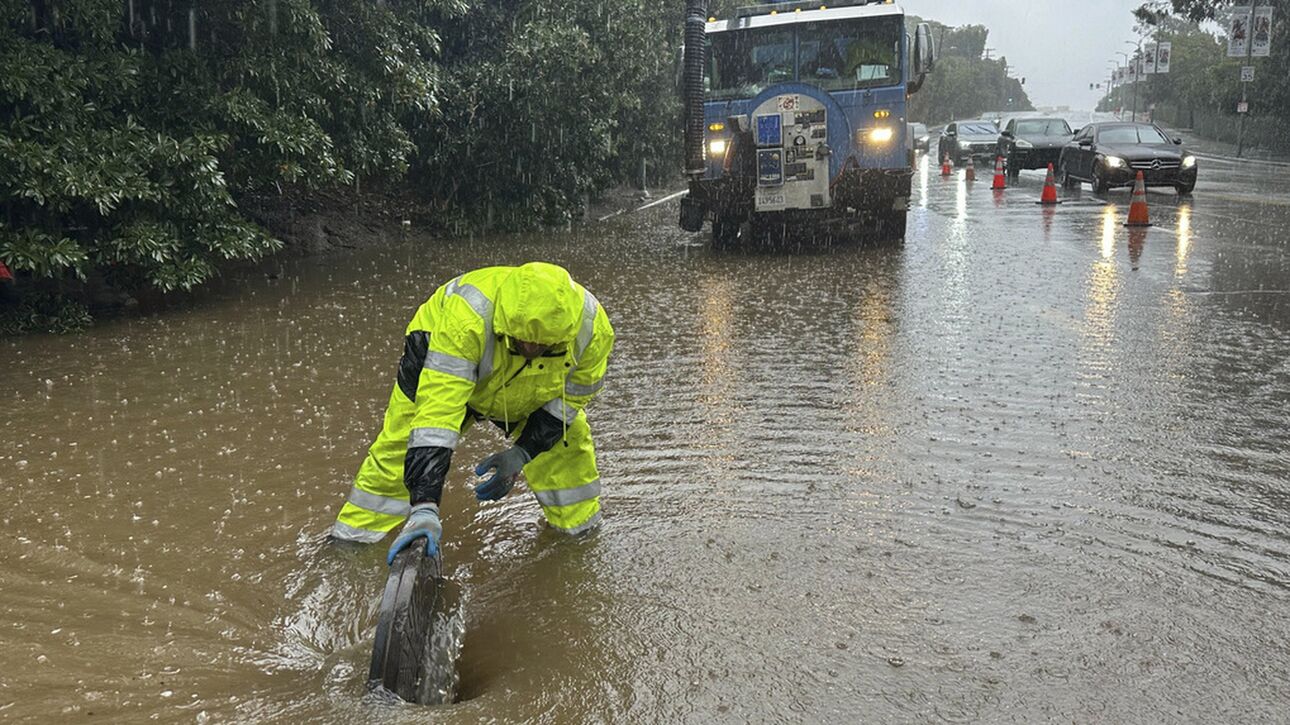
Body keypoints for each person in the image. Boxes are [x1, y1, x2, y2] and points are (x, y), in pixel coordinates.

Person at [331, 262, 615, 563]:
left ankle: (580, 542)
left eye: (542, 343)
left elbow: (566, 406)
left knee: (567, 453)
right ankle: (350, 547)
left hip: (537, 385)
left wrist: (523, 452)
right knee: (398, 454)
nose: (531, 346)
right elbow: (436, 417)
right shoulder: (465, 319)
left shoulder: (593, 331)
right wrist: (425, 505)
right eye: (522, 339)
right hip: (438, 360)